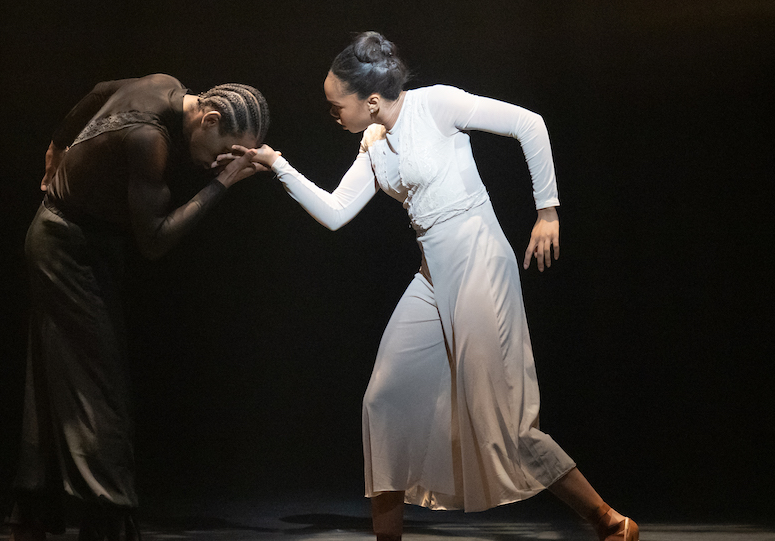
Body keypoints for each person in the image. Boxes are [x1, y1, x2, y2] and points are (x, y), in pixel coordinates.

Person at [238, 32, 638, 541]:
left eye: (336, 104)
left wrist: (547, 210)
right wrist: (278, 166)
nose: (332, 113)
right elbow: (337, 213)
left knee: (502, 420)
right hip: (433, 275)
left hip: (478, 263)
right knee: (384, 398)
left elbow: (528, 124)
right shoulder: (374, 142)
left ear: (372, 100)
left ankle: (609, 522)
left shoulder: (437, 104)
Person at [8, 74, 270, 541]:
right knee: (98, 388)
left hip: (72, 239)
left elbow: (98, 89)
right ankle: (106, 522)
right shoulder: (151, 140)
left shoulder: (163, 83)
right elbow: (154, 240)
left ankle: (33, 514)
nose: (219, 160)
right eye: (225, 149)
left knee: (59, 378)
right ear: (209, 119)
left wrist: (57, 144)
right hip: (65, 248)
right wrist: (223, 184)